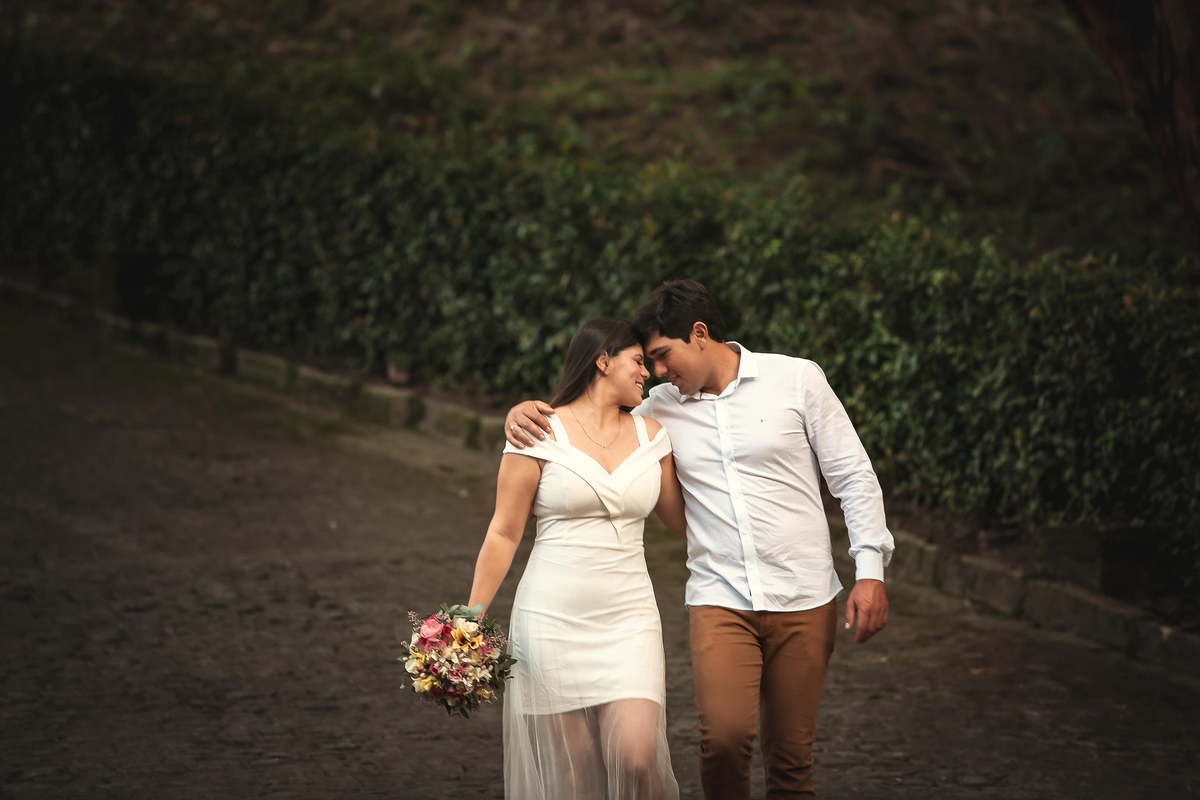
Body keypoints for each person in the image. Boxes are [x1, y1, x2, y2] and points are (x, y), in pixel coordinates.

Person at [505, 279, 895, 799]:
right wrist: (522, 412)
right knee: (724, 741)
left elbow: (852, 475)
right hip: (720, 597)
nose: (657, 372)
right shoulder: (654, 412)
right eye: (649, 361)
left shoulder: (797, 380)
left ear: (700, 333)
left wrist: (869, 570)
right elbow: (588, 421)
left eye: (664, 356)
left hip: (805, 596)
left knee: (792, 758)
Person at [468, 317, 686, 800]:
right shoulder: (536, 432)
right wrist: (471, 616)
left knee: (636, 755)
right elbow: (504, 532)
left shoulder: (654, 435)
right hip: (552, 619)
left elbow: (685, 521)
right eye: (637, 361)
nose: (646, 372)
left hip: (629, 618)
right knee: (575, 772)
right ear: (602, 360)